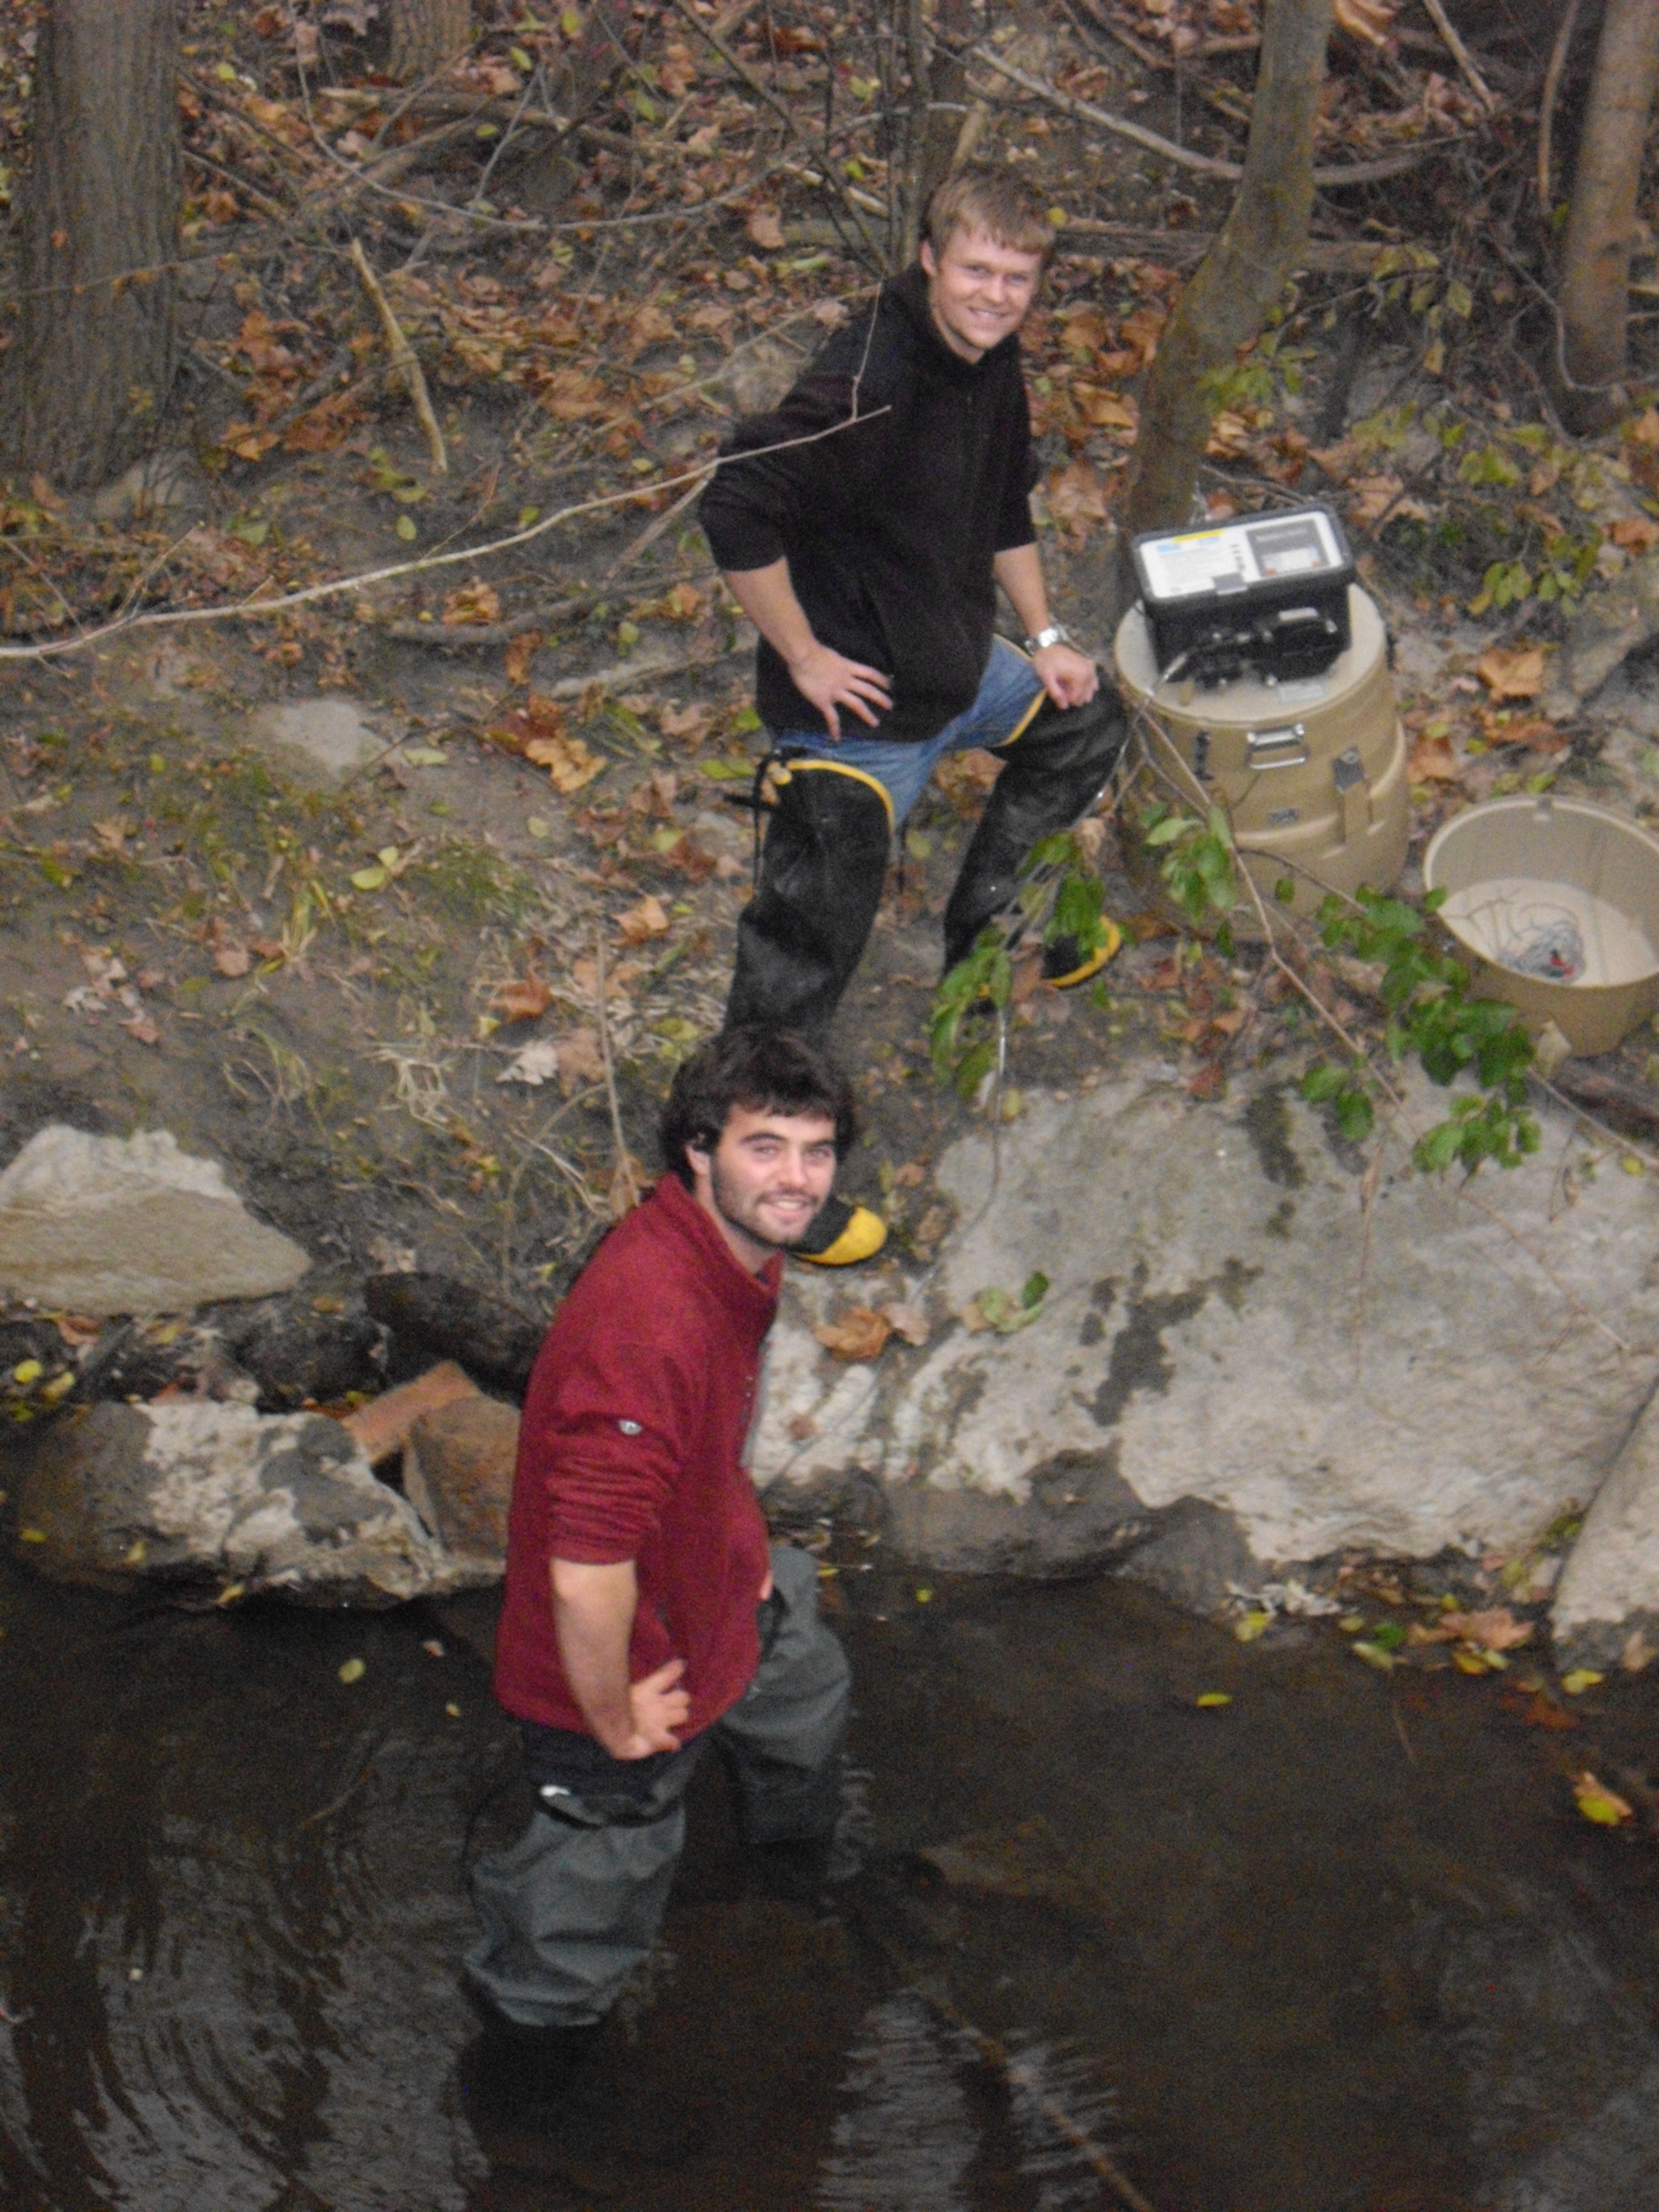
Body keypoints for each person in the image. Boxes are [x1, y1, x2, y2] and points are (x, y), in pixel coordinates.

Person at [699, 161, 1129, 1264]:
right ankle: (753, 1186)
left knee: (1084, 724)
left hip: (954, 672)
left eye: (1017, 278)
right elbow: (737, 500)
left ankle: (986, 949)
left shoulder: (989, 363)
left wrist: (1041, 643)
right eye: (976, 270)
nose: (995, 293)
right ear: (931, 258)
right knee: (801, 959)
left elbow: (1004, 505)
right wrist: (802, 654)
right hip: (855, 723)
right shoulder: (871, 377)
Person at [462, 1026, 856, 2126]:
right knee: (575, 1927)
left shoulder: (735, 1244)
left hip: (725, 1583)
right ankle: (520, 2121)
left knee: (807, 1690)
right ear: (697, 1151)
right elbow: (584, 1568)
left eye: (816, 1151)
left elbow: (700, 1440)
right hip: (617, 1660)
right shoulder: (648, 1324)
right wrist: (613, 1713)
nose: (796, 1179)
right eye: (765, 1146)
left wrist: (737, 1535)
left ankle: (788, 1887)